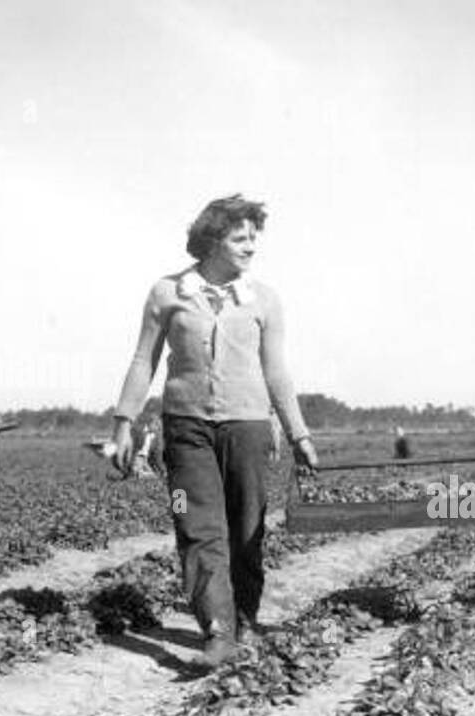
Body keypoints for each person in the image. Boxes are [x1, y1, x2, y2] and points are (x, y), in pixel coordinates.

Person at [110, 194, 319, 667]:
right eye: (239, 237)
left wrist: (299, 433)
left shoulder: (264, 299)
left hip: (247, 427)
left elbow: (276, 370)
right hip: (185, 429)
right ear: (211, 240)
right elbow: (143, 360)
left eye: (253, 238)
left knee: (246, 526)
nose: (250, 246)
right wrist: (123, 423)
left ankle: (246, 619)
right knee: (195, 525)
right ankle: (218, 631)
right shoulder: (167, 293)